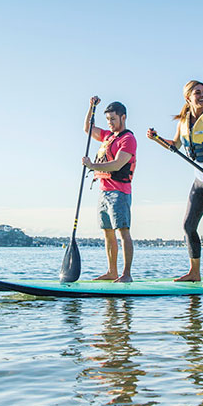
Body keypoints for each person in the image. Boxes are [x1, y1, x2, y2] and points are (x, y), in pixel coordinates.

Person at [147, 80, 203, 288]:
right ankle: (194, 272)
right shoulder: (183, 122)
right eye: (198, 92)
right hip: (200, 181)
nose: (202, 95)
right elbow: (175, 145)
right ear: (188, 97)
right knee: (188, 226)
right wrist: (156, 139)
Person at [82, 96, 137, 283]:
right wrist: (91, 107)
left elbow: (116, 164)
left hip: (119, 193)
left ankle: (126, 274)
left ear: (123, 117)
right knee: (107, 232)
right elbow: (88, 129)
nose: (110, 123)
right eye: (107, 120)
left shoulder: (128, 139)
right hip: (104, 192)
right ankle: (112, 272)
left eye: (113, 119)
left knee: (123, 231)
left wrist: (92, 166)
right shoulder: (107, 136)